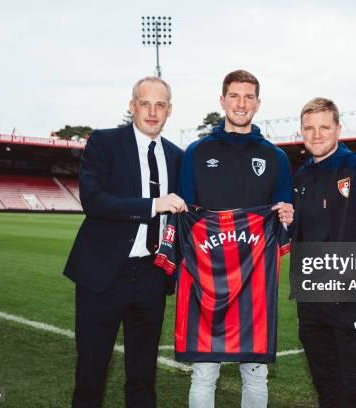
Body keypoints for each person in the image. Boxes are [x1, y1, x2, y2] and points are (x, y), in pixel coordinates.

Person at [63, 76, 186, 408]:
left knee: (143, 375)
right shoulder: (104, 143)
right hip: (102, 275)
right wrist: (152, 205)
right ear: (132, 105)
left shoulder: (177, 156)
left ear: (169, 111)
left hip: (152, 276)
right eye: (144, 103)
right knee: (91, 373)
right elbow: (93, 200)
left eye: (159, 105)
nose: (152, 111)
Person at [178, 69, 294, 408]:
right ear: (222, 100)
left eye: (248, 97)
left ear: (258, 103)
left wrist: (288, 215)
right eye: (234, 95)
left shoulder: (276, 157)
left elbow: (284, 215)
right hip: (206, 279)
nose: (241, 103)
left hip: (254, 280)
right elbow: (186, 216)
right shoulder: (197, 152)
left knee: (256, 372)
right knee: (204, 373)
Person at [292, 97, 356, 407]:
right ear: (302, 132)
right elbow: (301, 235)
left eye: (324, 127)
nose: (317, 134)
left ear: (338, 129)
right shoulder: (300, 179)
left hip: (350, 301)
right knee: (327, 390)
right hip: (311, 303)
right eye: (309, 128)